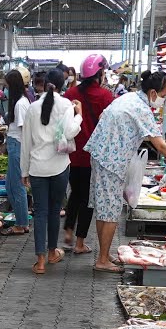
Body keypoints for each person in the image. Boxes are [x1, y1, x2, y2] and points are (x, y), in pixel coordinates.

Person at [85, 71, 166, 273]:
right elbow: (162, 146)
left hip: (100, 156)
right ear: (152, 92)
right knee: (111, 211)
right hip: (112, 162)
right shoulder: (141, 108)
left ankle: (104, 255)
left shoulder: (128, 98)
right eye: (164, 95)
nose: (164, 100)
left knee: (104, 209)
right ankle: (102, 260)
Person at [21, 69, 82, 275]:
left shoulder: (32, 107)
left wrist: (24, 170)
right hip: (59, 167)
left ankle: (40, 261)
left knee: (40, 213)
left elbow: (26, 142)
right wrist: (79, 115)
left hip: (37, 168)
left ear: (45, 83)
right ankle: (52, 253)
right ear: (62, 84)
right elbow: (70, 132)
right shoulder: (66, 104)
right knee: (54, 211)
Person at [63, 54, 116, 255]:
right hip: (94, 156)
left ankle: (68, 231)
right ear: (100, 73)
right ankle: (79, 243)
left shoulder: (70, 94)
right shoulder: (105, 96)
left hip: (71, 155)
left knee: (75, 194)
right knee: (88, 199)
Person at [3, 69, 31, 236]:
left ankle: (21, 223)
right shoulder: (21, 101)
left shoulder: (20, 104)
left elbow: (23, 130)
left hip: (17, 145)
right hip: (14, 144)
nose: (5, 89)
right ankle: (22, 219)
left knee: (17, 185)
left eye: (6, 86)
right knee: (9, 185)